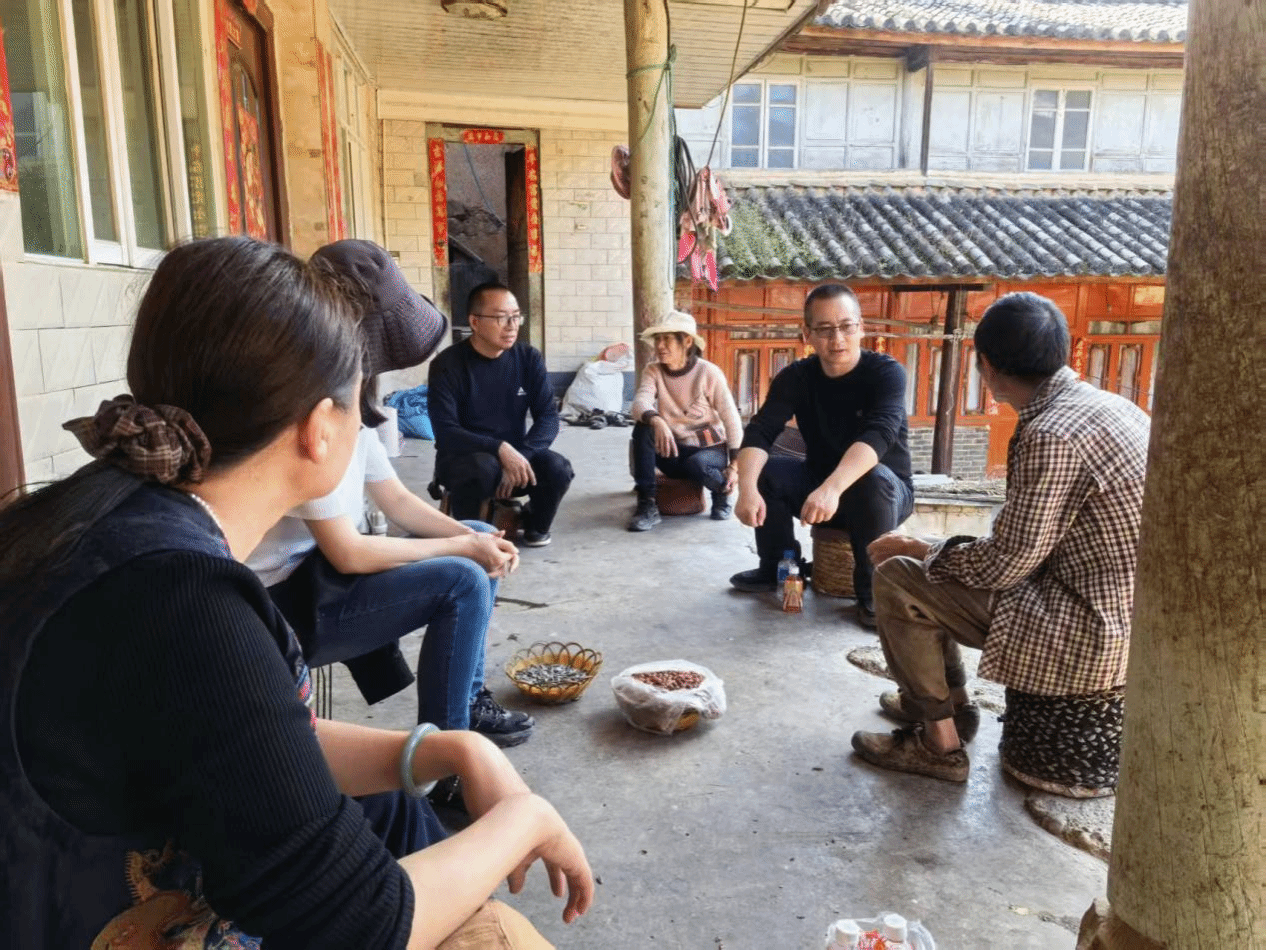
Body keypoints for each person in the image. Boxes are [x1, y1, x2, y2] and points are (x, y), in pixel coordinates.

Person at [0, 237, 592, 949]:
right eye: (356, 400)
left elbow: (253, 740)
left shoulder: (114, 521)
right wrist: (527, 819)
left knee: (396, 812)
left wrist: (447, 749)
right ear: (318, 429)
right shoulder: (182, 601)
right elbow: (360, 926)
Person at [850, 291, 1150, 786]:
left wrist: (918, 549)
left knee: (899, 576)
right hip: (1126, 618)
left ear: (986, 366)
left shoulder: (1050, 434)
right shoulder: (1114, 406)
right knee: (932, 567)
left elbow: (1005, 565)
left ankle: (939, 746)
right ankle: (953, 707)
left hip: (1083, 626)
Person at [247, 239, 535, 751]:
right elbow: (349, 553)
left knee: (480, 533)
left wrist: (475, 538)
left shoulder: (351, 403)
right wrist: (463, 547)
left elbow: (397, 501)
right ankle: (446, 751)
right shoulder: (313, 413)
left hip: (320, 578)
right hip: (285, 603)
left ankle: (465, 702)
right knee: (464, 578)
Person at [729, 284, 914, 627]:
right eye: (825, 329)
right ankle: (777, 566)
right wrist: (747, 488)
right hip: (820, 487)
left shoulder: (886, 373)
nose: (837, 339)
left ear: (861, 328)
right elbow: (761, 431)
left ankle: (873, 594)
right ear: (808, 334)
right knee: (767, 472)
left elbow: (880, 433)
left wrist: (832, 488)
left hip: (885, 494)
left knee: (871, 479)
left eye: (846, 326)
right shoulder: (796, 377)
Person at [428, 282, 573, 548]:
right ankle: (471, 537)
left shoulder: (528, 358)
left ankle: (534, 525)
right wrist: (500, 449)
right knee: (483, 468)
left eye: (516, 316)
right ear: (475, 322)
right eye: (500, 318)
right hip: (464, 461)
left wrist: (522, 454)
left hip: (515, 461)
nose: (511, 326)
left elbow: (548, 418)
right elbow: (446, 431)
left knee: (557, 468)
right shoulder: (447, 365)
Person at [626, 310, 742, 531]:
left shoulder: (709, 372)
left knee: (697, 464)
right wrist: (657, 420)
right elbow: (640, 403)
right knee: (643, 429)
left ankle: (722, 492)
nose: (660, 346)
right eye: (657, 339)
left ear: (687, 342)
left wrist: (735, 466)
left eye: (667, 339)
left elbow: (731, 419)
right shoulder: (653, 371)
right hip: (673, 449)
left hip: (708, 450)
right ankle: (647, 504)